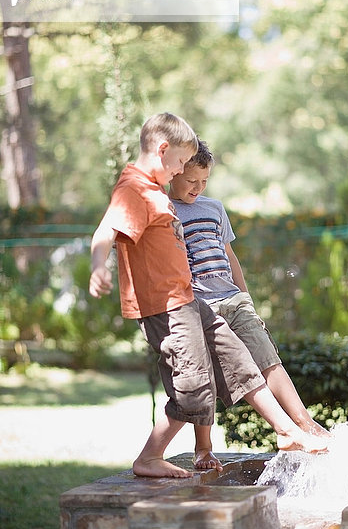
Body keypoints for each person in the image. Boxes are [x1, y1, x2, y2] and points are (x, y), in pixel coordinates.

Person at [89, 113, 328, 479]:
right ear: (163, 151)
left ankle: (288, 431)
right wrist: (98, 267)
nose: (182, 171)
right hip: (166, 306)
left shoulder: (154, 190)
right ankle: (151, 456)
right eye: (182, 164)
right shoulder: (135, 189)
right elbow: (106, 230)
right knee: (196, 391)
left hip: (189, 300)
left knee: (240, 357)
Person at [169, 138, 330, 472]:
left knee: (268, 359)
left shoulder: (214, 209)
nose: (198, 188)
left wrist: (246, 298)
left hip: (233, 299)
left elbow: (230, 256)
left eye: (205, 181)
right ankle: (203, 449)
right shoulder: (166, 211)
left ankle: (305, 424)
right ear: (174, 173)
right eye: (191, 181)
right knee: (207, 378)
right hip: (201, 307)